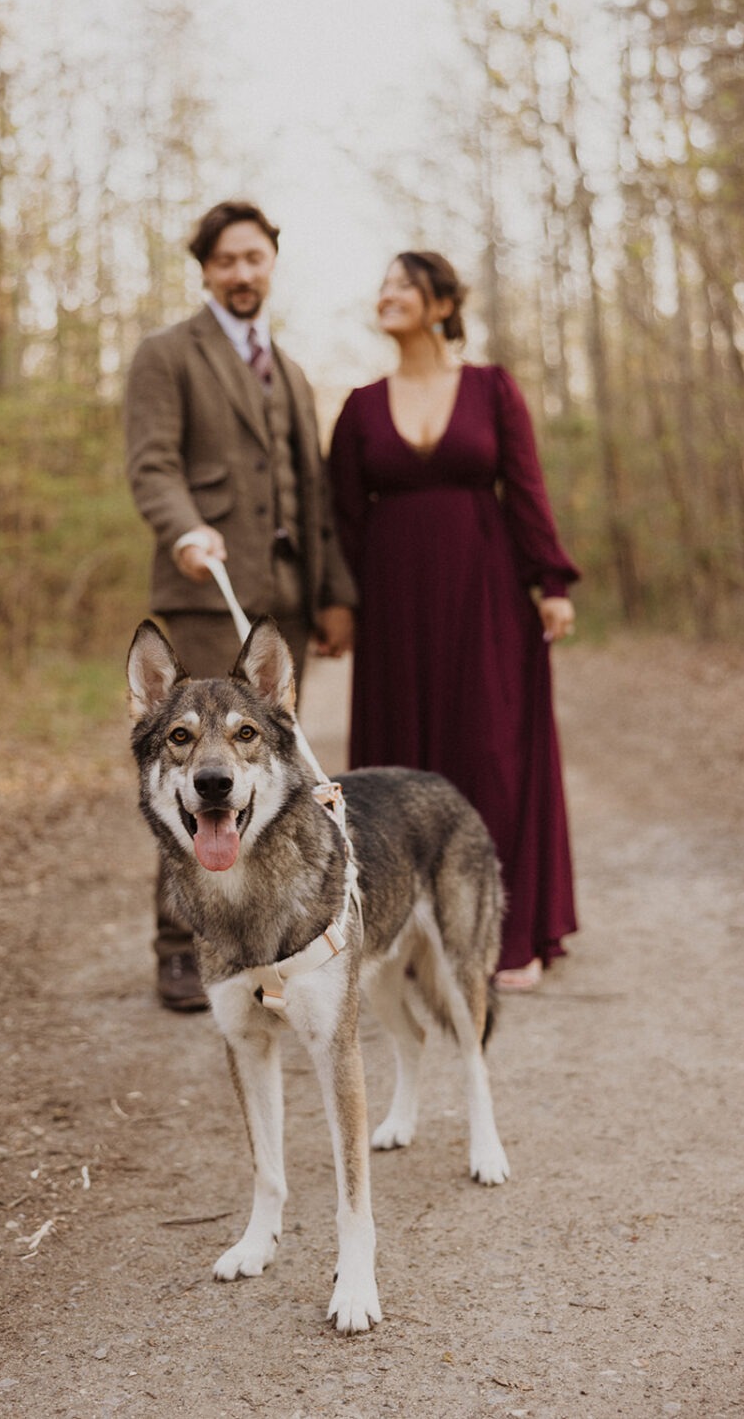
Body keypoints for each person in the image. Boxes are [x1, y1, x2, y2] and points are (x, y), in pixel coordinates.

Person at [124, 200, 357, 1010]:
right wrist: (185, 529)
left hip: (282, 607)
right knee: (194, 772)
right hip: (200, 594)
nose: (243, 272)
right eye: (227, 260)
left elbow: (313, 494)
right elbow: (152, 465)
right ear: (206, 269)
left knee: (267, 777)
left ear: (271, 262)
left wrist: (332, 595)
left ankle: (263, 939)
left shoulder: (289, 371)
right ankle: (182, 948)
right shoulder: (166, 355)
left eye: (255, 258)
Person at [327, 251, 579, 991]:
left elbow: (526, 489)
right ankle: (407, 933)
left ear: (441, 303)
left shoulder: (493, 388)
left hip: (486, 598)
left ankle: (502, 935)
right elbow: (341, 519)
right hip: (394, 607)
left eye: (403, 284)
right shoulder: (360, 406)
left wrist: (551, 580)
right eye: (382, 285)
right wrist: (335, 606)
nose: (387, 295)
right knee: (400, 767)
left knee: (491, 753)